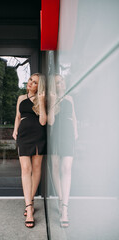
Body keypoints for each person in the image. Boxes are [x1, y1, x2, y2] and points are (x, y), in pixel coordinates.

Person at [13, 73, 47, 228]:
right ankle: (29, 207)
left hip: (38, 135)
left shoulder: (43, 99)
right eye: (30, 80)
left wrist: (40, 100)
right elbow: (18, 116)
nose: (31, 83)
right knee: (25, 169)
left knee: (36, 168)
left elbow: (43, 121)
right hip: (23, 135)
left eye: (35, 82)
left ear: (39, 86)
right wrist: (15, 131)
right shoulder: (21, 98)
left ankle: (30, 201)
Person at [48, 74, 78, 228]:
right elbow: (51, 121)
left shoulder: (70, 98)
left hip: (68, 136)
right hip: (56, 135)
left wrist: (76, 134)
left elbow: (73, 118)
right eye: (57, 83)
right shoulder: (52, 100)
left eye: (61, 81)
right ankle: (61, 199)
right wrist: (53, 102)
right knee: (55, 168)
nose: (61, 84)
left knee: (66, 169)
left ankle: (64, 208)